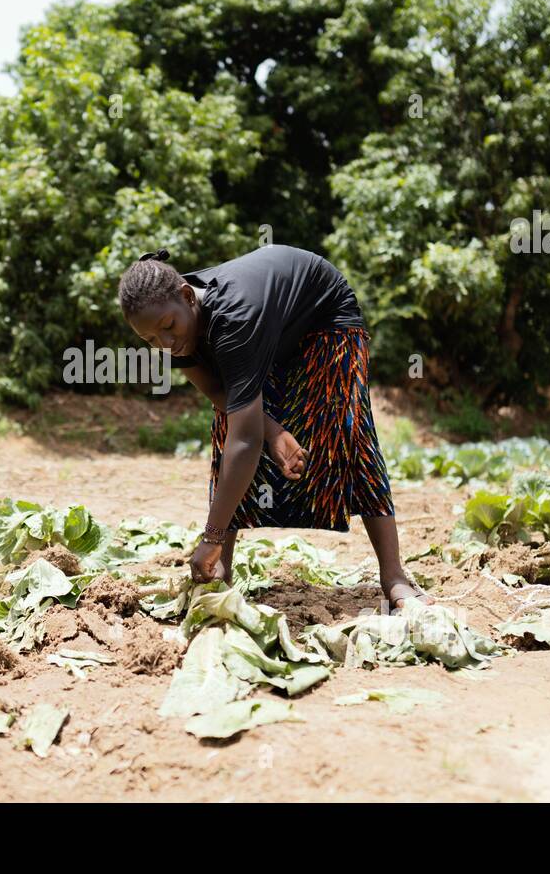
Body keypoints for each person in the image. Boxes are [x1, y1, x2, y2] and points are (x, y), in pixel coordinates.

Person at [118, 244, 432, 614]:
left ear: (188, 297)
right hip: (271, 330)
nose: (165, 345)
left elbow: (245, 441)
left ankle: (393, 576)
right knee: (226, 430)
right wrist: (274, 431)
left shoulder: (234, 316)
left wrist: (210, 535)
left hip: (324, 320)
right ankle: (221, 569)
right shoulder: (177, 324)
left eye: (168, 329)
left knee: (349, 433)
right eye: (150, 340)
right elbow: (222, 395)